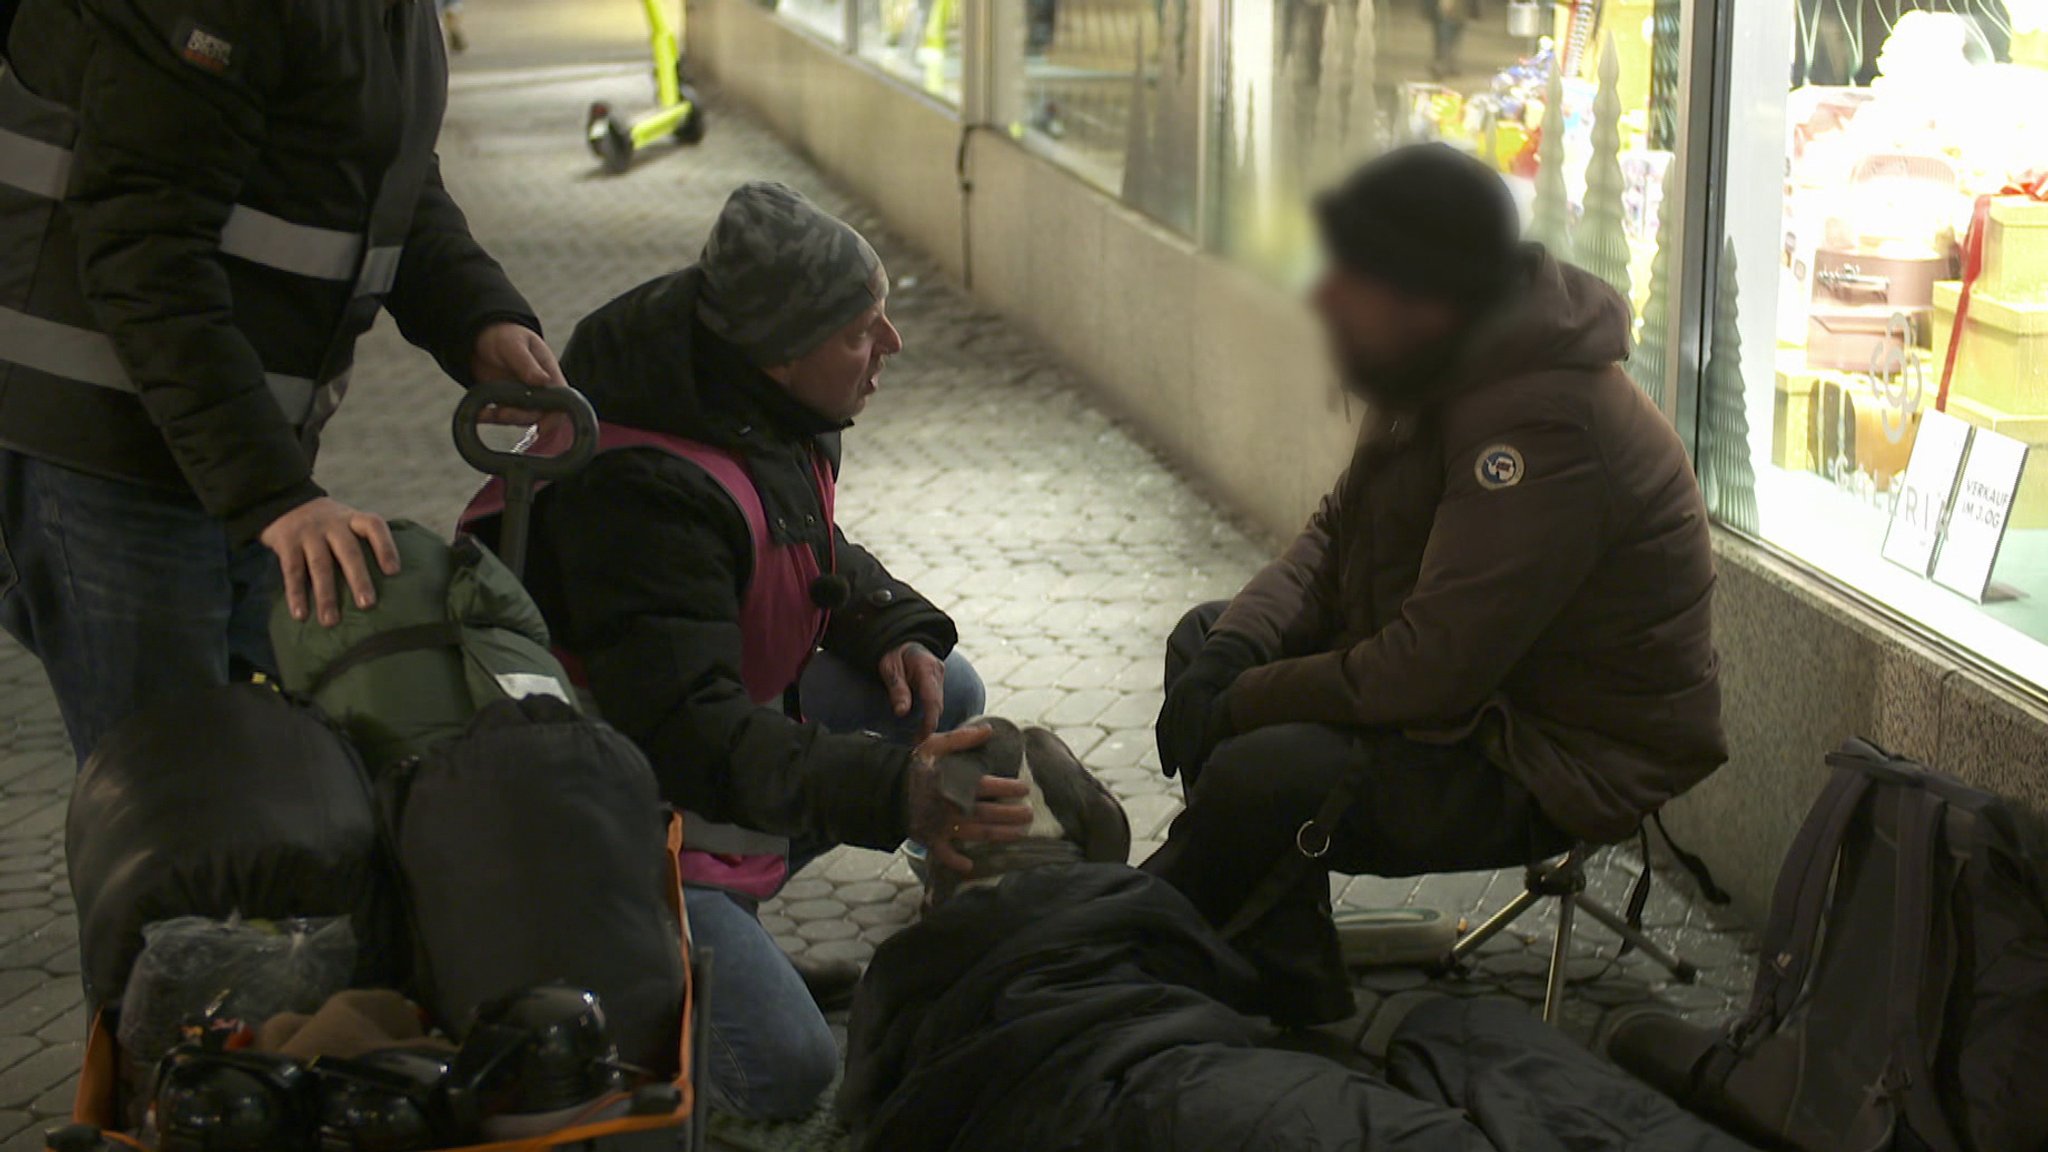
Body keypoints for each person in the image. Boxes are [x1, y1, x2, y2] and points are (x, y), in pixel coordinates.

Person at [465, 182, 1031, 1121]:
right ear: (779, 354)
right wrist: (897, 795)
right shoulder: (642, 493)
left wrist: (891, 625)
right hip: (623, 826)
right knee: (783, 1072)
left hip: (692, 764)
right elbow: (691, 734)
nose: (890, 346)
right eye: (861, 331)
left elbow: (795, 544)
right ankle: (623, 972)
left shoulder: (739, 394)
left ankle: (776, 929)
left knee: (942, 687)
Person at [1143, 144, 1726, 1028]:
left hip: (1548, 747)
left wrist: (1241, 703)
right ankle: (1267, 939)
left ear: (1429, 298)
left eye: (1354, 276)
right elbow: (1335, 533)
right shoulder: (1440, 361)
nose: (1326, 295)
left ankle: (1242, 949)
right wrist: (1234, 655)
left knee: (1265, 768)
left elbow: (1432, 669)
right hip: (1476, 698)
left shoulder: (1537, 423)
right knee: (1204, 641)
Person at [0, 0, 562, 765]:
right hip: (101, 446)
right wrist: (276, 497)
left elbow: (383, 169)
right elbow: (145, 252)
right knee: (178, 800)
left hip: (219, 447)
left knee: (260, 780)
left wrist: (476, 316)